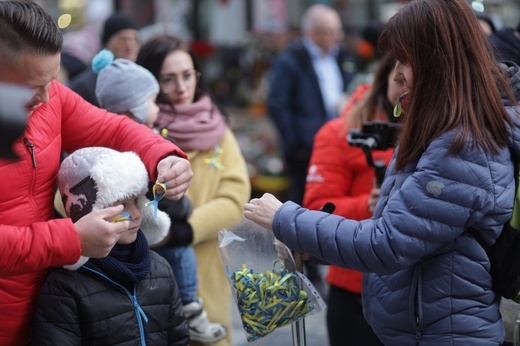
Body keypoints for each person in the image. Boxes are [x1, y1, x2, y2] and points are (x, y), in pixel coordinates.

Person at [244, 0, 520, 344]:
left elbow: (387, 243)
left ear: (437, 61)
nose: (398, 73)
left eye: (406, 60)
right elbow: (405, 228)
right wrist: (306, 243)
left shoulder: (464, 144)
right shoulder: (441, 128)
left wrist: (286, 218)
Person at [0, 2, 192, 345]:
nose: (47, 97)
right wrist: (70, 240)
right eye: (32, 87)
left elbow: (114, 129)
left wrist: (163, 156)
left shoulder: (50, 96)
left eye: (52, 80)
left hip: (47, 312)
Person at [92, 49, 227, 344]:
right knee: (178, 258)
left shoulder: (209, 131)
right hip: (147, 237)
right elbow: (161, 193)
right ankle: (191, 306)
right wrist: (182, 207)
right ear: (132, 110)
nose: (159, 106)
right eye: (152, 101)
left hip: (160, 242)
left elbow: (235, 197)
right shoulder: (143, 142)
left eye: (188, 75)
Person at [137, 35, 251, 346]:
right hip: (148, 275)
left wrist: (187, 230)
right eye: (168, 79)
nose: (181, 87)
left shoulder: (216, 129)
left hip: (203, 269)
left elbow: (236, 196)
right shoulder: (135, 128)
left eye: (187, 75)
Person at [31, 147, 190, 345]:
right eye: (121, 205)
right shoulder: (66, 285)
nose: (136, 213)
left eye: (136, 200)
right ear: (90, 214)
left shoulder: (161, 269)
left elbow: (179, 338)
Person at [303, 54, 399, 346]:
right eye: (401, 73)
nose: (410, 82)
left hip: (417, 297)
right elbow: (316, 210)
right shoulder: (340, 132)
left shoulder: (443, 133)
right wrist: (367, 205)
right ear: (385, 75)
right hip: (354, 292)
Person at [267, 3, 356, 207]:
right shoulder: (290, 60)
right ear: (312, 33)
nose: (337, 37)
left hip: (341, 140)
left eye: (337, 31)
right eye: (330, 32)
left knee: (334, 198)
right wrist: (296, 142)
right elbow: (278, 104)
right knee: (304, 200)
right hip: (307, 147)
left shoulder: (340, 55)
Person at [68, 12, 140, 106]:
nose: (130, 46)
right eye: (123, 39)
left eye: (135, 39)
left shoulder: (142, 77)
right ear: (107, 43)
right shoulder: (85, 85)